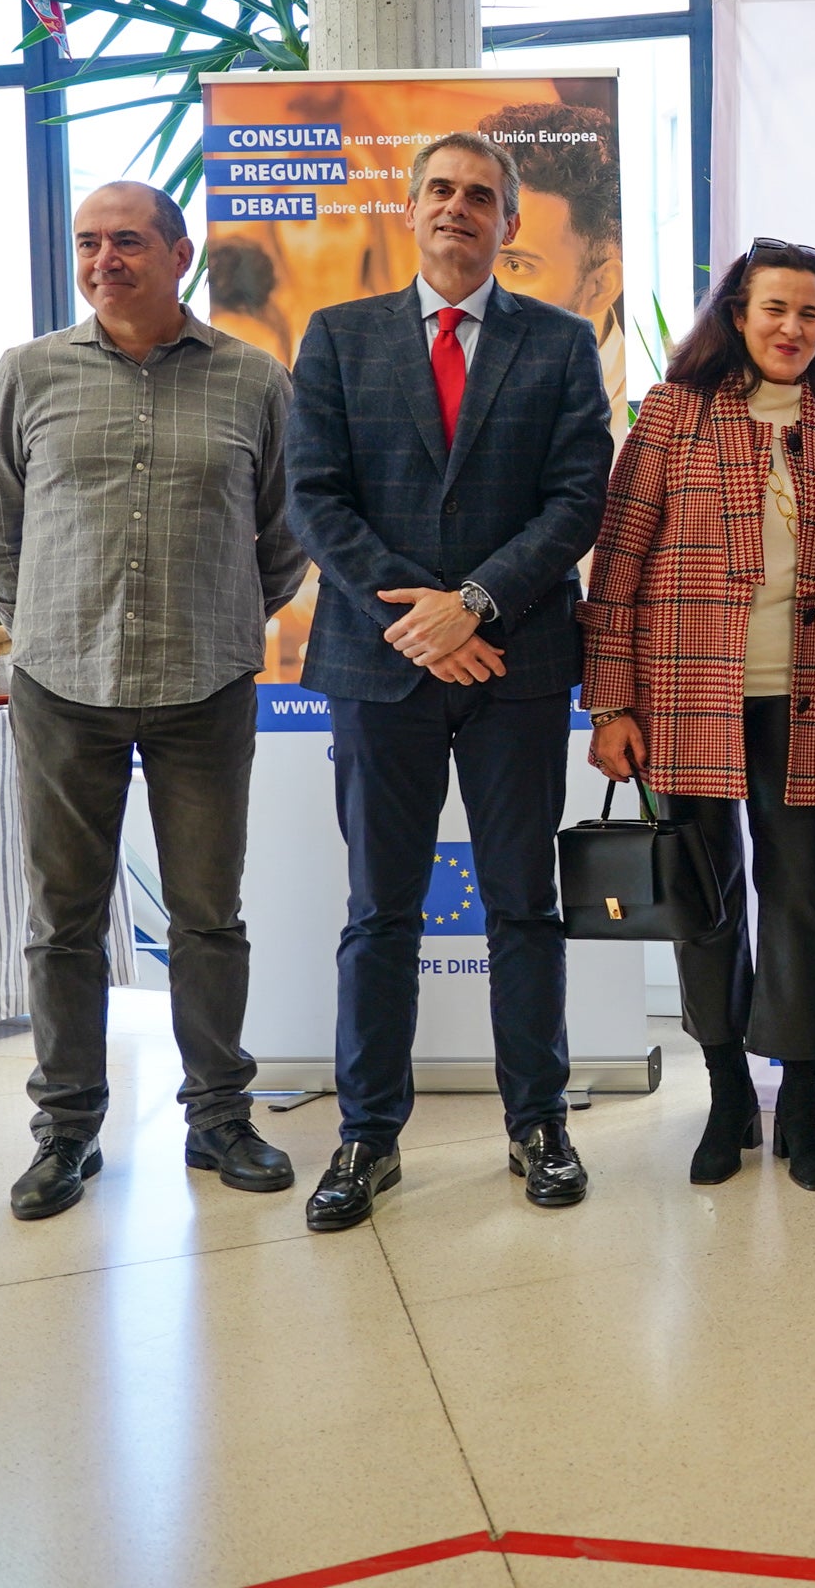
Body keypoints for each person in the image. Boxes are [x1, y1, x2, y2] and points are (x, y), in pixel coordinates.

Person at [286, 132, 612, 1230]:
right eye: (441, 189)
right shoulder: (337, 338)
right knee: (381, 909)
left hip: (515, 661)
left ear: (508, 222)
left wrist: (471, 604)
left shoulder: (563, 345)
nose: (459, 208)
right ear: (411, 208)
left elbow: (576, 502)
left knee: (525, 904)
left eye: (482, 195)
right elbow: (316, 500)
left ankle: (540, 1122)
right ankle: (367, 1136)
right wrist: (423, 619)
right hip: (380, 670)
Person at [0, 181, 308, 1222]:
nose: (104, 258)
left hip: (205, 684)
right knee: (64, 920)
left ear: (178, 252)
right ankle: (66, 1133)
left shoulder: (255, 378)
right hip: (62, 685)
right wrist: (51, 627)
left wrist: (219, 616)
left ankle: (218, 1117)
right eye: (88, 242)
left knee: (209, 916)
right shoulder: (28, 374)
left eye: (126, 240)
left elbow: (285, 539)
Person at [581, 241, 815, 1191]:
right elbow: (620, 561)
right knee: (705, 895)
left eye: (810, 314)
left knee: (801, 893)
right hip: (685, 693)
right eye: (775, 310)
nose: (793, 329)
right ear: (737, 313)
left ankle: (802, 1098)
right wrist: (611, 700)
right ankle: (727, 1093)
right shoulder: (675, 413)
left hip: (811, 698)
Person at [484, 98, 631, 436]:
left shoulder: (626, 440)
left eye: (516, 265)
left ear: (600, 287)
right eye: (479, 254)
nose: (480, 284)